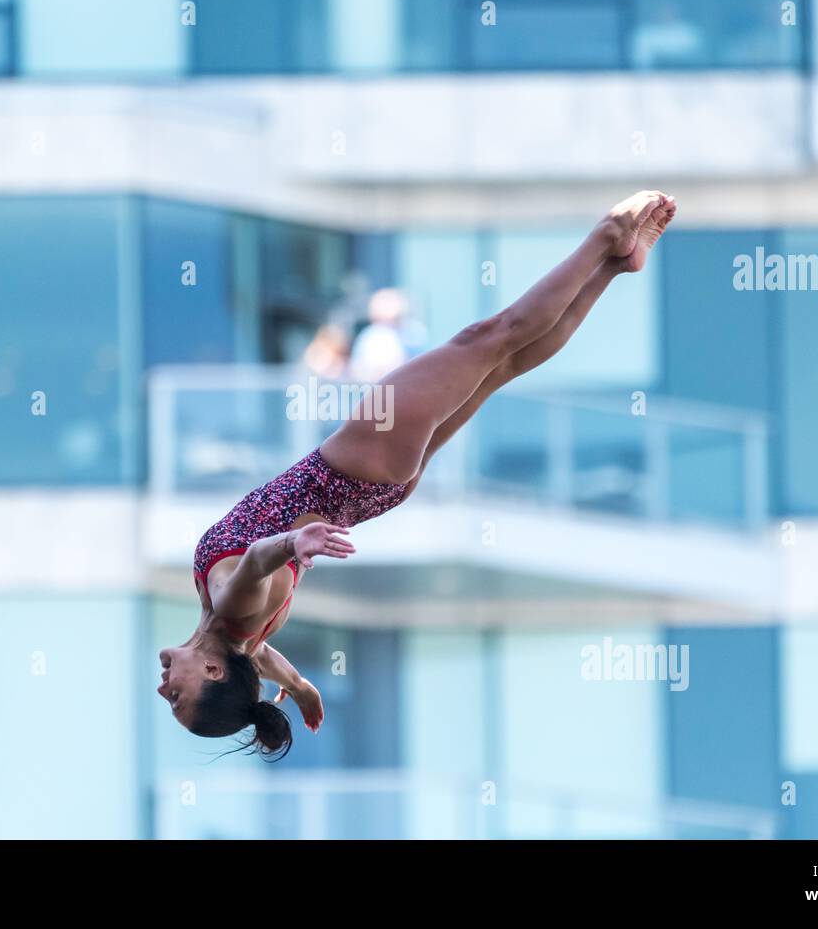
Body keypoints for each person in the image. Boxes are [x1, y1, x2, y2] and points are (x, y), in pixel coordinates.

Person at [159, 191, 677, 759]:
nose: (163, 686)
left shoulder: (237, 635)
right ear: (210, 670)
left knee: (503, 364)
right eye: (177, 695)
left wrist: (300, 685)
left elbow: (259, 656)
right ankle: (605, 238)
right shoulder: (230, 610)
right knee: (491, 339)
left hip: (380, 486)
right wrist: (292, 542)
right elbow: (257, 560)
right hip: (356, 465)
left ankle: (615, 266)